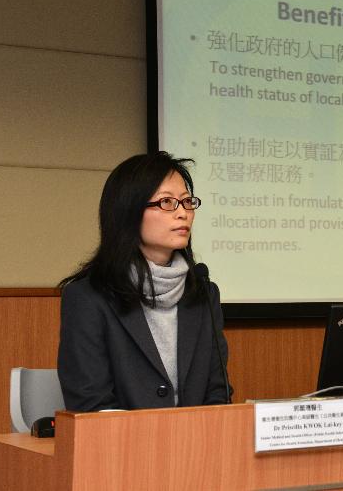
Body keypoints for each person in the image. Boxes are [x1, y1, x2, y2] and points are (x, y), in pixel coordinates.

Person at [58, 151, 231, 411]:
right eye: (166, 202)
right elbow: (90, 403)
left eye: (186, 202)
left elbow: (217, 393)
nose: (182, 213)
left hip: (196, 446)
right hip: (119, 448)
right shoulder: (89, 298)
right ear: (128, 211)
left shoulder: (203, 293)